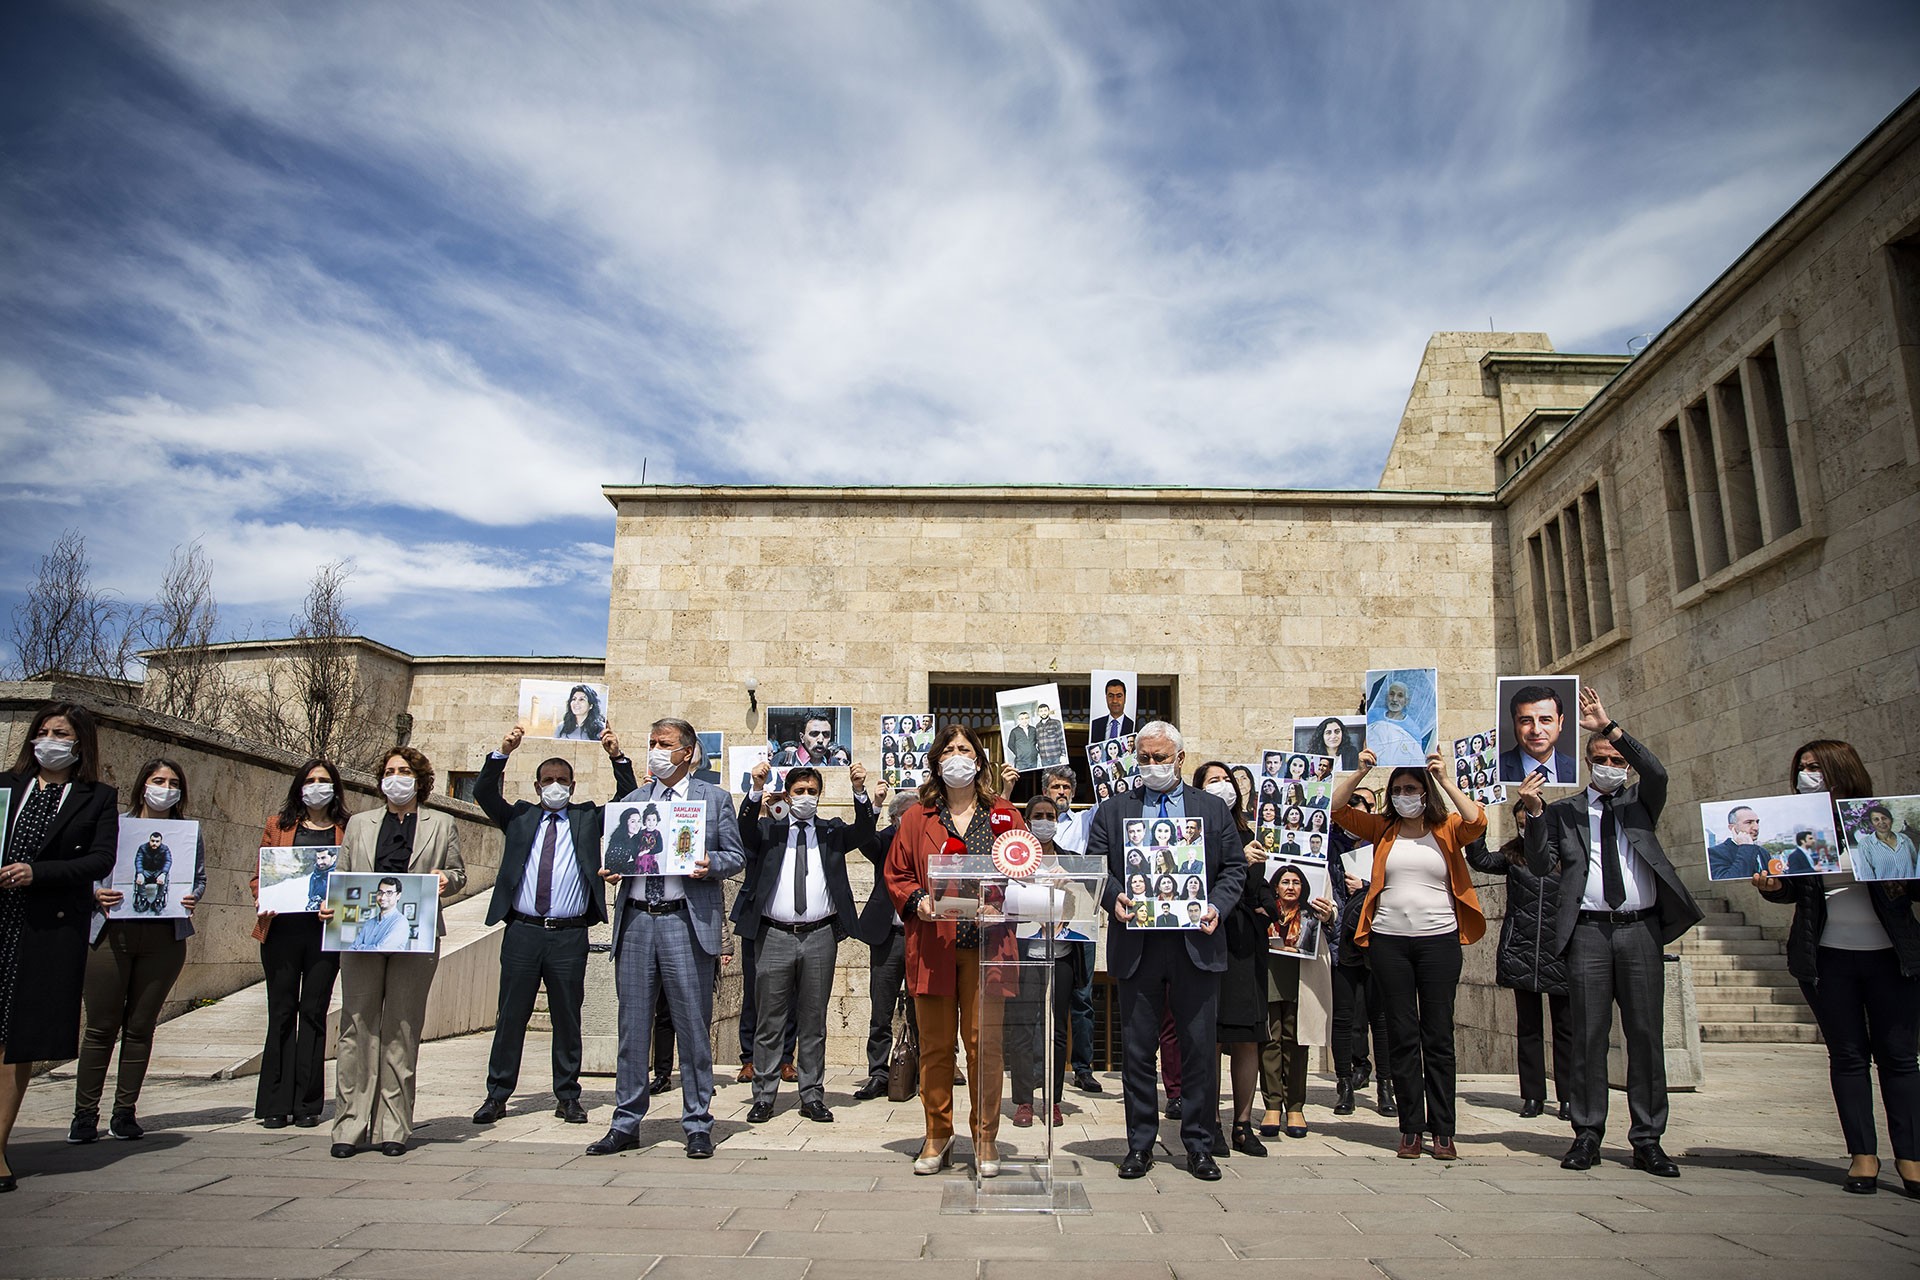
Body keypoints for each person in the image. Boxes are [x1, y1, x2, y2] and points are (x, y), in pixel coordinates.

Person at [1522, 686, 1702, 1178]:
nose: (1609, 763)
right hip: (1588, 934)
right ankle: (1586, 1134)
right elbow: (1540, 865)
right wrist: (1534, 813)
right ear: (1587, 763)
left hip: (1640, 930)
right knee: (1587, 1036)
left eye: (1616, 758)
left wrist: (1608, 726)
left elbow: (1659, 771)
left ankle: (1648, 1138)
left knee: (1645, 1035)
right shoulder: (1565, 813)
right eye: (1600, 758)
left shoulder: (1641, 803)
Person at [1756, 739, 1920, 1196]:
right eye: (1802, 768)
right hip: (1827, 957)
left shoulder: (1880, 820)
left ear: (1839, 771)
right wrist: (1771, 887)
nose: (1808, 775)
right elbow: (1792, 891)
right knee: (1848, 1057)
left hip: (1892, 957)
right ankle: (1863, 1157)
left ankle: (1911, 1158)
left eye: (1815, 768)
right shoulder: (1796, 827)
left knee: (1900, 1058)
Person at [1091, 721, 1247, 1181]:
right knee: (1137, 1052)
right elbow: (1098, 867)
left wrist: (1217, 906)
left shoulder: (1211, 810)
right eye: (1145, 758)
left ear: (1181, 759)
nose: (1153, 766)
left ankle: (1198, 1144)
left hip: (1194, 943)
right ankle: (1139, 1145)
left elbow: (1234, 868)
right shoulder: (1114, 810)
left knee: (1199, 1048)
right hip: (1137, 943)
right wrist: (1114, 895)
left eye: (1161, 758)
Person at [586, 718, 744, 1160]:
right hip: (636, 920)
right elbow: (618, 853)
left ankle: (697, 1122)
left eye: (665, 744)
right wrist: (613, 869)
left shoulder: (714, 800)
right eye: (652, 743)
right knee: (632, 1026)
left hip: (684, 921)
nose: (656, 750)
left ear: (688, 751)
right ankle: (625, 1121)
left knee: (693, 1025)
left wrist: (710, 863)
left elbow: (735, 855)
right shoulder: (633, 801)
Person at [1330, 740, 1488, 1161]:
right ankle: (1410, 1128)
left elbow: (1477, 821)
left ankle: (1443, 1129)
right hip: (1389, 942)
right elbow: (1338, 810)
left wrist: (1444, 778)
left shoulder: (1447, 828)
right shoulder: (1382, 828)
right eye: (1397, 790)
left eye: (1411, 789)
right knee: (1402, 1034)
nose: (1404, 796)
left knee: (1438, 1035)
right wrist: (1362, 771)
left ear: (1424, 793)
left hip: (1439, 941)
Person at [470, 723, 635, 1127]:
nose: (555, 786)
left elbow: (626, 800)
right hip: (523, 931)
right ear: (537, 785)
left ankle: (568, 1095)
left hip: (569, 934)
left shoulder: (584, 819)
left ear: (573, 786)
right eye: (548, 781)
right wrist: (502, 751)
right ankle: (497, 1094)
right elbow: (483, 794)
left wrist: (617, 756)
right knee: (511, 1015)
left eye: (562, 781)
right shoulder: (521, 817)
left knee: (567, 1017)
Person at [884, 723, 1027, 1178]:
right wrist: (917, 901)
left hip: (989, 948)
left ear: (980, 760)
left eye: (966, 749)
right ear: (936, 760)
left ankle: (985, 1138)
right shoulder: (916, 818)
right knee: (936, 1047)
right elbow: (897, 874)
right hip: (934, 947)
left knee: (985, 1048)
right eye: (949, 749)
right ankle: (937, 1135)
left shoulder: (1004, 815)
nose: (958, 756)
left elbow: (1026, 869)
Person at [0, 703, 119, 1192]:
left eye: (61, 733)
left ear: (79, 743)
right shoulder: (6, 788)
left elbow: (99, 859)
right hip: (0, 920)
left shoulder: (95, 797)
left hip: (44, 930)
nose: (50, 739)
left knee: (15, 1042)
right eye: (43, 731)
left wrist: (37, 873)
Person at [327, 746, 464, 1158]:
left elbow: (458, 874)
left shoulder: (441, 824)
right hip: (360, 937)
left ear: (419, 778)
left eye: (404, 770)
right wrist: (329, 905)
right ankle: (350, 1125)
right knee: (356, 1027)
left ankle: (393, 1127)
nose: (396, 777)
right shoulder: (359, 824)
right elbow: (342, 874)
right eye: (389, 771)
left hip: (413, 938)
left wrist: (446, 880)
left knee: (402, 1030)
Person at [71, 758, 207, 1143]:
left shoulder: (186, 834)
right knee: (100, 1027)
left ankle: (125, 1112)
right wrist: (96, 892)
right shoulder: (115, 825)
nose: (165, 787)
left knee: (140, 1027)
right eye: (158, 780)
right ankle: (84, 1115)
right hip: (112, 936)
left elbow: (198, 878)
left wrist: (191, 896)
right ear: (143, 784)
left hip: (164, 939)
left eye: (173, 782)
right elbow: (90, 869)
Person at [738, 761, 873, 1123]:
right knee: (770, 1019)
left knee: (813, 1020)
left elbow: (863, 833)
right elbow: (744, 832)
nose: (806, 797)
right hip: (774, 934)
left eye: (812, 792)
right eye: (799, 791)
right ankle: (764, 1095)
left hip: (819, 936)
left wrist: (859, 791)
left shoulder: (831, 832)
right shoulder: (770, 830)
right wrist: (755, 788)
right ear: (788, 793)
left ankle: (812, 1095)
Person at [252, 758, 349, 1129]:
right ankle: (275, 1101)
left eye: (324, 780)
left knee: (313, 1013)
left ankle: (308, 1103)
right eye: (310, 780)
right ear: (299, 786)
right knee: (280, 1012)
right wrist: (264, 899)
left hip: (324, 934)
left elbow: (355, 877)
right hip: (281, 932)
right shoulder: (279, 826)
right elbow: (258, 876)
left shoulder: (347, 830)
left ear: (335, 788)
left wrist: (337, 908)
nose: (317, 786)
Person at [1465, 780, 1572, 1120]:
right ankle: (1533, 1096)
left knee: (1566, 1029)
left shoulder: (1567, 858)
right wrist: (1478, 815)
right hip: (1522, 948)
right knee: (1528, 1028)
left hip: (1560, 949)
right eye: (1521, 823)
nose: (1526, 827)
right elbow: (1480, 858)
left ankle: (1568, 1096)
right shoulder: (1513, 856)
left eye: (1531, 821)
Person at [1194, 761, 1276, 1157]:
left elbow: (1263, 891)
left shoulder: (1250, 832)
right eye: (1213, 781)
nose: (1223, 786)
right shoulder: (1191, 832)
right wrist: (1235, 861)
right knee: (1207, 1035)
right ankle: (1209, 1123)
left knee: (1246, 1038)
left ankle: (1242, 1123)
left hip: (1245, 944)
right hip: (1206, 941)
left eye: (1227, 780)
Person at [1004, 794, 1083, 1129]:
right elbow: (1008, 901)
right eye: (1038, 815)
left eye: (1050, 815)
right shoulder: (1015, 859)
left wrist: (1068, 892)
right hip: (1025, 954)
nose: (1045, 821)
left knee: (1058, 1029)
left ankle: (1053, 1099)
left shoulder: (1073, 860)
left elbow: (1082, 906)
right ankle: (1024, 1099)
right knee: (1023, 1027)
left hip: (1061, 955)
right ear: (1027, 820)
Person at [1326, 786, 1394, 1118]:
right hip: (1341, 938)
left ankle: (1386, 1086)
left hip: (1378, 935)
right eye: (1353, 804)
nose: (1359, 809)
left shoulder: (1385, 842)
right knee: (1343, 1016)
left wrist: (1366, 888)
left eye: (1366, 805)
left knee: (1380, 1017)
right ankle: (1344, 1085)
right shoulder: (1328, 845)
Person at [853, 782, 919, 1100]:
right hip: (888, 937)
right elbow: (864, 842)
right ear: (895, 819)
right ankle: (878, 1073)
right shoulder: (886, 840)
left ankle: (925, 1070)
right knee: (881, 1009)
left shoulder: (933, 841)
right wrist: (873, 805)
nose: (914, 819)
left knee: (924, 1008)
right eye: (908, 814)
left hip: (923, 937)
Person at [1260, 862, 1333, 1141]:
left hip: (1304, 968)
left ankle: (1295, 1106)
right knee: (1270, 1036)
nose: (1290, 887)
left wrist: (1329, 913)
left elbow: (1332, 907)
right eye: (1285, 882)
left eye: (1296, 882)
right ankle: (1272, 1105)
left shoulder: (1320, 870)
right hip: (1270, 965)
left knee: (1296, 1036)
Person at [1498, 684, 1574, 784]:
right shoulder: (1496, 769)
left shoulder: (1576, 768)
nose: (1536, 731)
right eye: (1526, 721)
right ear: (1514, 723)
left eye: (1545, 720)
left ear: (1560, 722)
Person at [1853, 803, 1920, 882]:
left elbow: (1916, 864)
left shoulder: (1905, 839)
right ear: (1872, 823)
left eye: (1884, 818)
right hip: (1886, 891)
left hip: (1912, 888)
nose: (1881, 822)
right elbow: (1867, 874)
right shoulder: (1865, 844)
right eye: (1876, 819)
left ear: (1891, 820)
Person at [1366, 679, 1426, 764]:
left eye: (1400, 696)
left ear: (1406, 701)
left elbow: (1415, 757)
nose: (1394, 699)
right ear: (1387, 697)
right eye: (1392, 694)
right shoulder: (1373, 714)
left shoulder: (1412, 728)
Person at [350, 878, 411, 951]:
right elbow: (351, 949)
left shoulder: (401, 922)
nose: (383, 897)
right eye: (380, 892)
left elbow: (381, 950)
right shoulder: (368, 923)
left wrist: (359, 947)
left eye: (389, 893)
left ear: (398, 896)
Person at [1707, 806, 1767, 881]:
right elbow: (1726, 882)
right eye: (1749, 822)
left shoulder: (1763, 852)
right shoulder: (1714, 853)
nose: (1756, 827)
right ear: (1732, 827)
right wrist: (1746, 848)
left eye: (1757, 822)